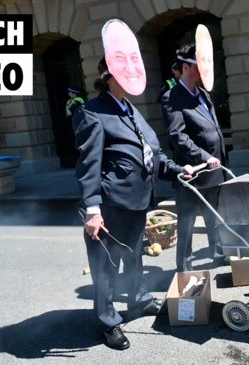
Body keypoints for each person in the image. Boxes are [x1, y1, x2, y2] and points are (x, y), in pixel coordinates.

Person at [74, 20, 193, 351]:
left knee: (135, 260)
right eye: (122, 67)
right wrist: (93, 209)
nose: (131, 72)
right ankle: (108, 321)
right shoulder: (93, 112)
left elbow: (149, 154)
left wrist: (176, 169)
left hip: (138, 202)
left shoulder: (130, 109)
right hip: (111, 205)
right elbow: (87, 165)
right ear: (108, 75)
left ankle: (138, 301)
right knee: (106, 267)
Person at [161, 43, 227, 272]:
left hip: (214, 168)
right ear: (187, 67)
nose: (204, 69)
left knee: (215, 217)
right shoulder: (172, 97)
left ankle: (218, 253)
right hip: (192, 172)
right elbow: (177, 136)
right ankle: (184, 270)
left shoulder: (203, 94)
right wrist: (205, 156)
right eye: (200, 65)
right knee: (187, 224)